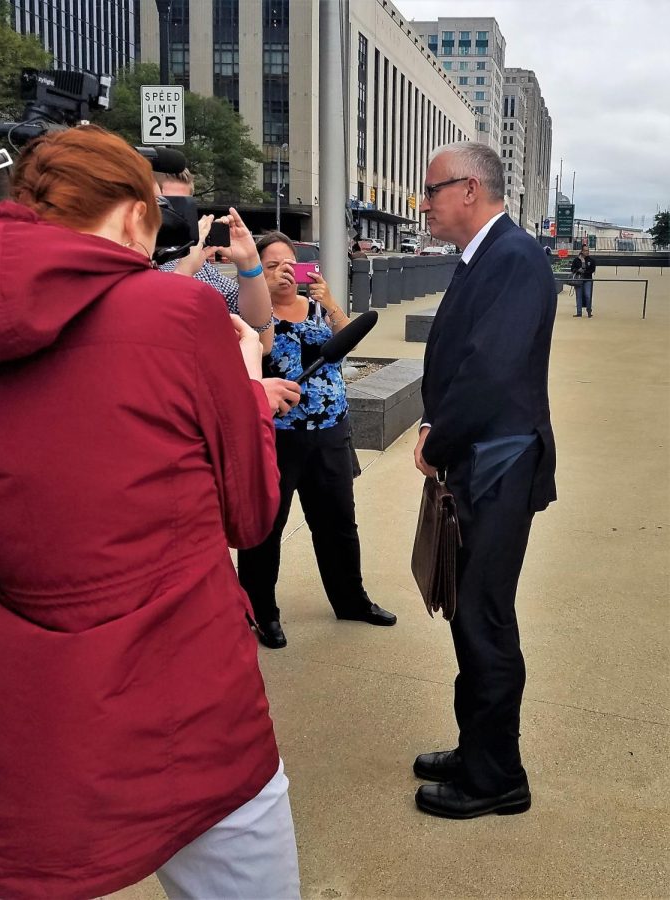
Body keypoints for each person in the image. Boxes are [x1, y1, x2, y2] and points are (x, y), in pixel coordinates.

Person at [0, 125, 300, 899]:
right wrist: (249, 388)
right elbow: (248, 515)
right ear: (129, 214)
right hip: (183, 670)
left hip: (39, 681)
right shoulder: (175, 313)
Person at [412, 141, 557, 819]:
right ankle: (478, 747)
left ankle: (497, 776)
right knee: (473, 616)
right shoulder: (488, 257)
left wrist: (436, 439)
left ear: (469, 189)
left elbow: (491, 371)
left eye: (432, 189)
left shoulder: (513, 258)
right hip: (480, 459)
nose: (424, 203)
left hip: (496, 464)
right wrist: (434, 431)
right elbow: (466, 360)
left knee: (483, 618)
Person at [237, 231, 397, 650]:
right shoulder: (252, 317)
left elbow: (346, 344)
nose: (282, 272)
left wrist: (329, 303)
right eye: (270, 265)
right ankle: (261, 612)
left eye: (288, 264)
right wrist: (262, 293)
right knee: (265, 530)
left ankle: (351, 600)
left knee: (338, 524)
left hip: (330, 432)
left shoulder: (314, 309)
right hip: (278, 438)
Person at [155, 168, 301, 415]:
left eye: (181, 209)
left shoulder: (204, 270)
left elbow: (262, 335)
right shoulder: (134, 263)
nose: (172, 219)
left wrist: (249, 263)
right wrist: (184, 271)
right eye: (163, 206)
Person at [570, 245, 596, 317]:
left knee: (588, 295)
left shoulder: (591, 260)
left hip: (587, 279)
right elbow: (572, 268)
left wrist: (584, 271)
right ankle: (579, 313)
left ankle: (589, 311)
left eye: (588, 250)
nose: (587, 252)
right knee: (578, 296)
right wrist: (577, 270)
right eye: (585, 250)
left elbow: (592, 269)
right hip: (578, 280)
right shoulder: (576, 260)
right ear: (582, 251)